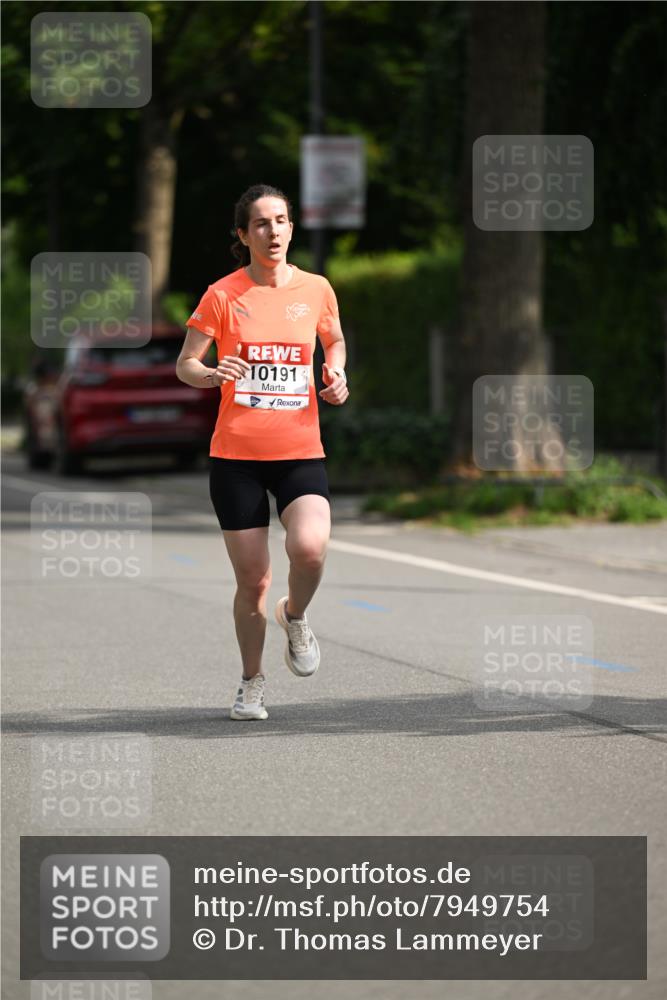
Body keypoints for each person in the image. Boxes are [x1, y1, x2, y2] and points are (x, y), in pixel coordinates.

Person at [176, 183, 349, 721]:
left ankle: (294, 617)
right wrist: (209, 373)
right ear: (243, 235)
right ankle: (251, 683)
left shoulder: (317, 288)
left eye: (281, 221)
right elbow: (186, 363)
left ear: (292, 228)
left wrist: (337, 370)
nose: (272, 232)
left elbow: (334, 339)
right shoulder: (223, 295)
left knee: (311, 548)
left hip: (300, 450)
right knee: (253, 582)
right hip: (237, 458)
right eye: (261, 224)